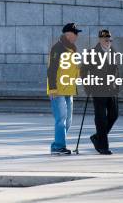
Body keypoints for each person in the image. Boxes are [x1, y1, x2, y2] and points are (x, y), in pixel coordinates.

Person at [81, 29, 119, 155]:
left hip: (111, 90)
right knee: (101, 118)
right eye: (105, 40)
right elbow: (83, 71)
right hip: (97, 89)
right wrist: (88, 87)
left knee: (114, 115)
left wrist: (117, 85)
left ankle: (97, 137)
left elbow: (116, 70)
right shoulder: (91, 53)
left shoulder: (113, 52)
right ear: (100, 40)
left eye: (109, 40)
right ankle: (103, 146)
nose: (108, 42)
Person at [47, 22, 82, 155]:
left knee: (68, 121)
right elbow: (52, 70)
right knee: (61, 119)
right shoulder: (57, 48)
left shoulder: (72, 49)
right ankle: (58, 146)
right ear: (68, 34)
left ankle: (58, 144)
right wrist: (52, 89)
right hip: (58, 90)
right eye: (75, 33)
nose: (77, 35)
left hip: (69, 89)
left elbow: (73, 69)